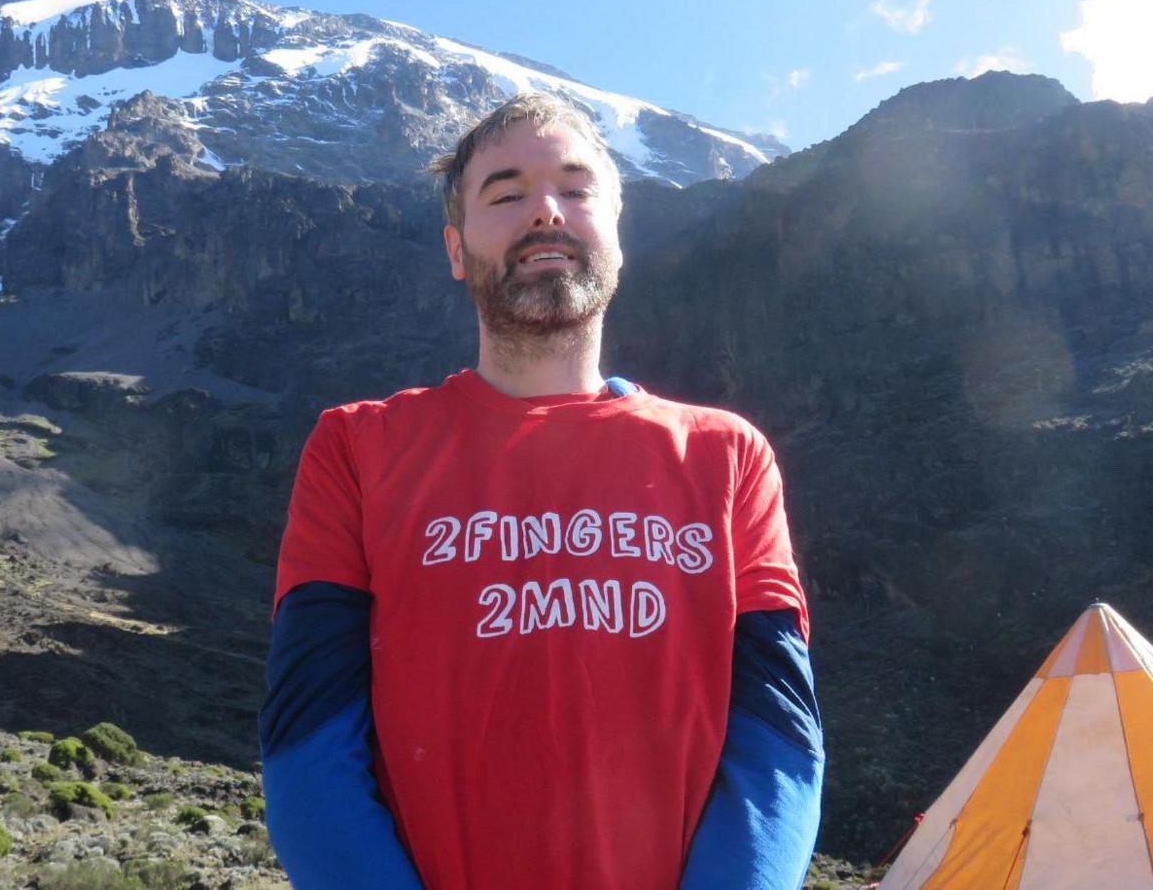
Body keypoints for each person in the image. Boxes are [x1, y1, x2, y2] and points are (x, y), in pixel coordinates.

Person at [258, 91, 823, 890]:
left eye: (577, 188)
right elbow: (308, 745)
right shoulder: (355, 447)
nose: (547, 212)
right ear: (456, 249)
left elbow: (779, 744)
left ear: (617, 235)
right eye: (506, 192)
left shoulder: (729, 458)